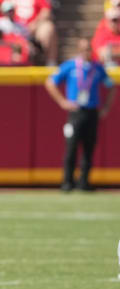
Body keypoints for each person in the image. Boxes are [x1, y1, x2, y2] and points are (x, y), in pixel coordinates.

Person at [45, 38, 116, 192]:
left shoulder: (97, 68)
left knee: (89, 147)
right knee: (71, 147)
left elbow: (111, 85)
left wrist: (106, 108)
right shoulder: (70, 66)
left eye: (88, 49)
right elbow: (50, 82)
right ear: (79, 50)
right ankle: (67, 181)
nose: (86, 52)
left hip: (92, 112)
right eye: (83, 49)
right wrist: (62, 102)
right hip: (75, 112)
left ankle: (84, 182)